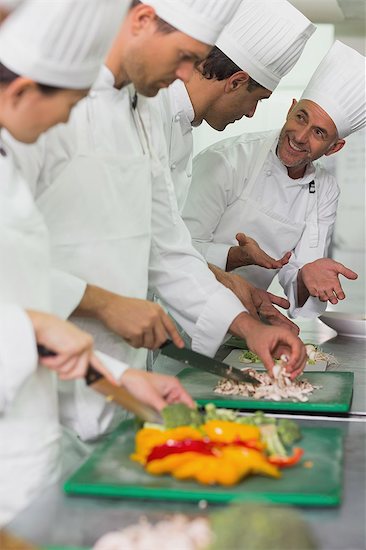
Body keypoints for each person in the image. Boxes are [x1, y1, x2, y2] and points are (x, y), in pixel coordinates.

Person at [5, 0, 307, 446]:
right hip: (32, 373)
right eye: (186, 57)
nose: (188, 76)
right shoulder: (55, 100)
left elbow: (168, 245)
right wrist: (104, 304)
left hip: (105, 370)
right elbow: (12, 267)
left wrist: (247, 327)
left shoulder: (144, 108)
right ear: (142, 20)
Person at [0, 0, 192, 526]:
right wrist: (36, 327)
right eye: (70, 103)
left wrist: (114, 376)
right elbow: (19, 327)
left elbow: (21, 313)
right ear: (19, 92)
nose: (70, 118)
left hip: (30, 458)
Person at [153, 0, 315, 332]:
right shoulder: (150, 112)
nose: (253, 113)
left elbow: (164, 246)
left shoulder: (183, 132)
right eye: (258, 99)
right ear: (236, 82)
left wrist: (233, 288)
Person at [183, 41, 365, 320]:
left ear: (334, 147)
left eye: (318, 133)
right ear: (290, 110)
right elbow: (177, 249)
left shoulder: (324, 189)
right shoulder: (226, 161)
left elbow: (297, 280)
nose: (300, 136)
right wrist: (236, 256)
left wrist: (306, 276)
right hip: (186, 318)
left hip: (248, 324)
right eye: (300, 117)